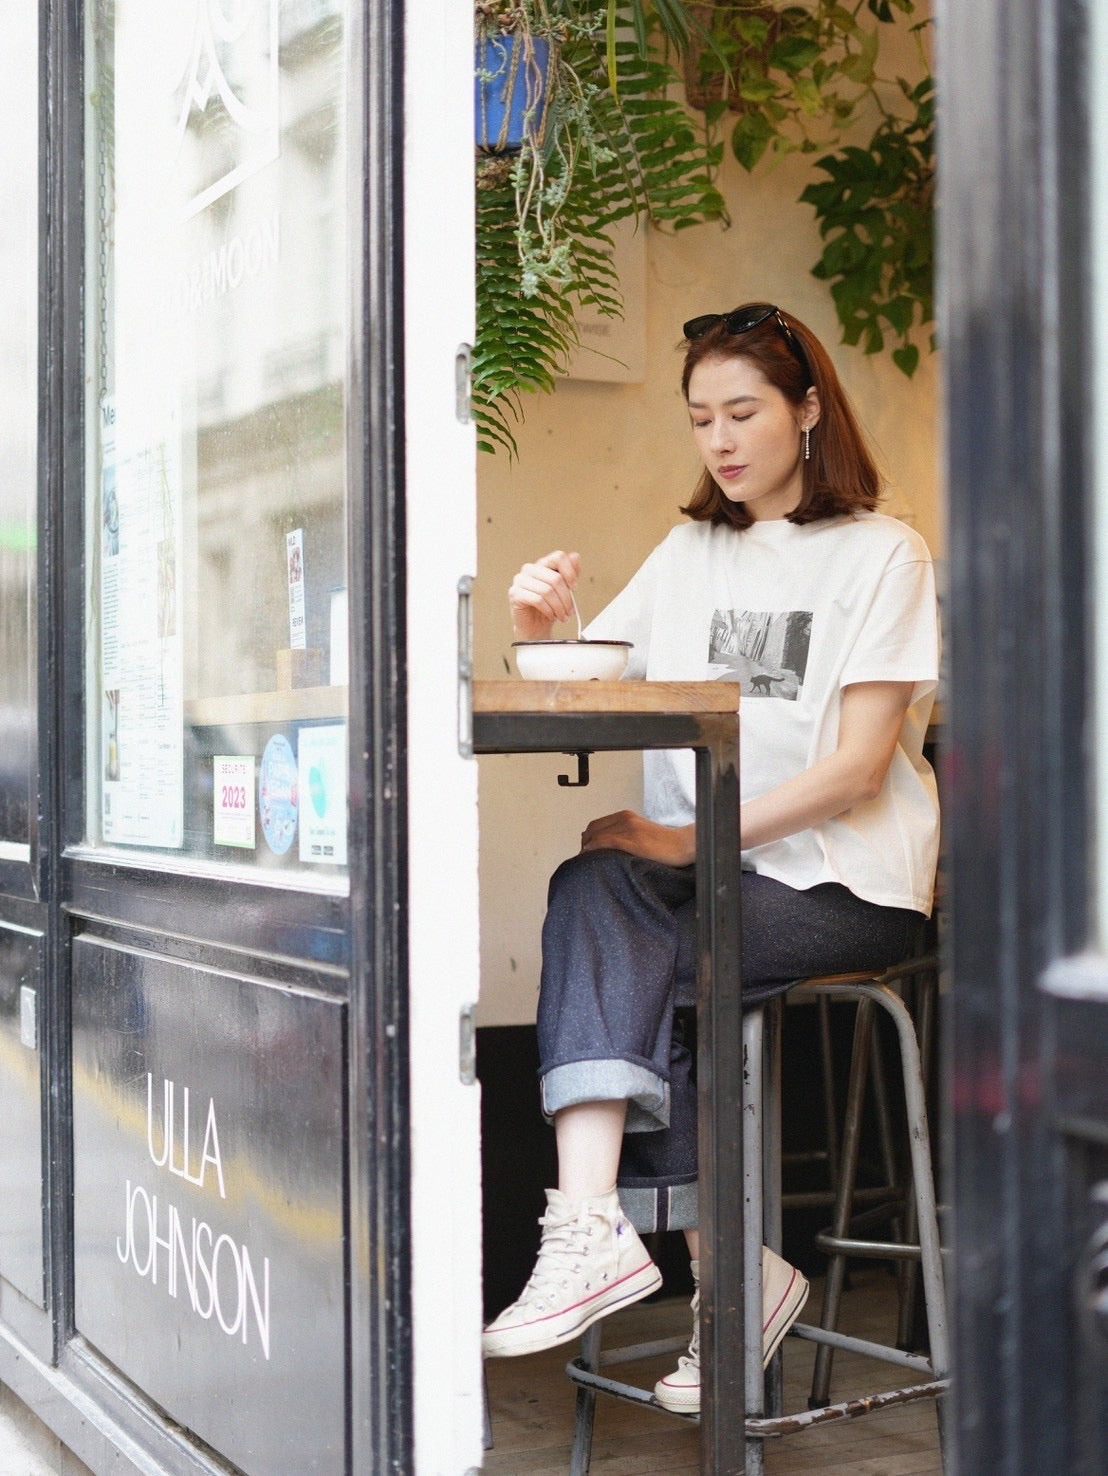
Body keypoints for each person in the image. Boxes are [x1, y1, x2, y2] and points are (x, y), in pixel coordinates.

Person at [482, 303, 940, 1416]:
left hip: (844, 889)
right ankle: (607, 1231)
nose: (722, 440)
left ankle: (725, 1273)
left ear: (808, 410)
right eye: (700, 419)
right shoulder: (693, 551)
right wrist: (539, 622)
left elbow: (858, 770)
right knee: (593, 885)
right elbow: (592, 676)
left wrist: (686, 840)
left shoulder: (882, 552)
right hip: (715, 888)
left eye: (743, 411)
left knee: (631, 938)